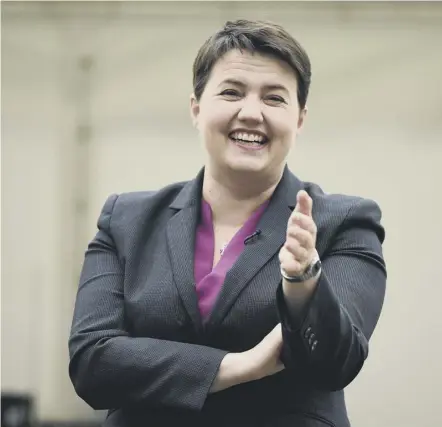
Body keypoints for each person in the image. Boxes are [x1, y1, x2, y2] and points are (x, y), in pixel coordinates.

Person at [68, 19, 387, 427]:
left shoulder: (343, 221)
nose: (251, 113)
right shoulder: (127, 220)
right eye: (231, 92)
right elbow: (92, 362)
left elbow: (335, 365)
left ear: (300, 119)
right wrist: (237, 366)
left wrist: (305, 281)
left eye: (274, 98)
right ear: (196, 108)